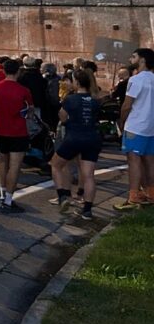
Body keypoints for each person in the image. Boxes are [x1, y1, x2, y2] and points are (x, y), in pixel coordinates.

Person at [51, 69, 102, 220]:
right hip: (92, 138)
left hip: (74, 137)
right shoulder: (95, 100)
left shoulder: (70, 99)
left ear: (77, 83)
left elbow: (62, 116)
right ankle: (87, 210)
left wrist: (67, 122)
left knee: (56, 164)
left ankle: (63, 196)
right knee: (89, 175)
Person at [0, 58, 33, 213]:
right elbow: (30, 112)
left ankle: (2, 194)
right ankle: (8, 199)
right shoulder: (24, 90)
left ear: (3, 70)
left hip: (0, 129)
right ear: (18, 71)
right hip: (18, 131)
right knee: (15, 166)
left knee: (3, 162)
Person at [114, 48, 154, 210]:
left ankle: (134, 196)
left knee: (134, 161)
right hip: (151, 126)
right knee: (150, 161)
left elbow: (127, 105)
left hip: (136, 125)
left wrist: (122, 122)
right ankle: (150, 193)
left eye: (134, 56)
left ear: (142, 60)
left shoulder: (136, 80)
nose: (131, 59)